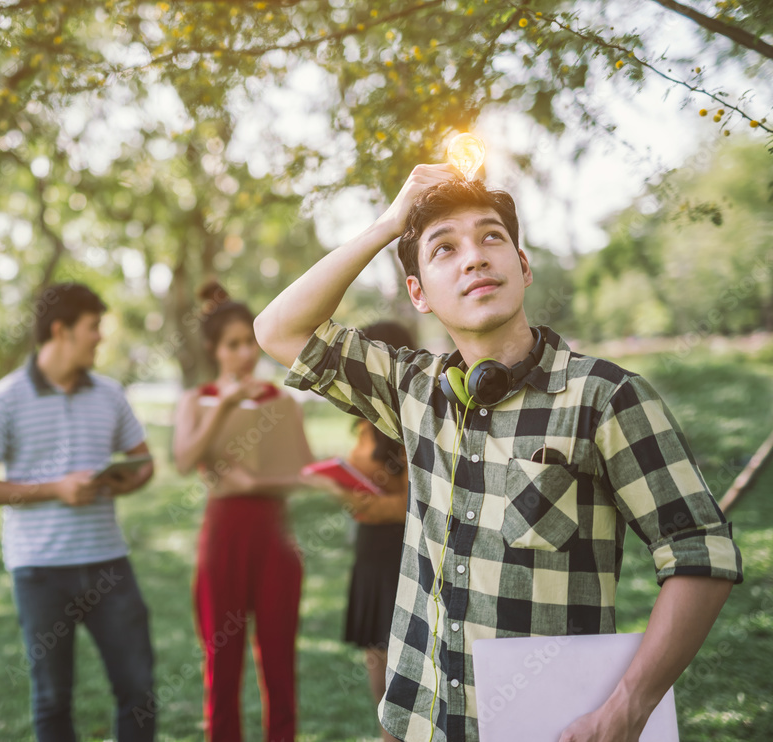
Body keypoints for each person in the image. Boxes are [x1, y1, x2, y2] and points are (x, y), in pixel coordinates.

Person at [254, 166, 744, 742]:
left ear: (523, 265)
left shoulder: (605, 398)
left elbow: (698, 552)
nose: (475, 257)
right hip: (413, 723)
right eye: (444, 248)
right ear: (419, 293)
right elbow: (278, 328)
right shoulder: (411, 390)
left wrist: (629, 707)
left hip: (546, 728)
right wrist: (389, 225)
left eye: (492, 237)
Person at [0, 282, 156, 742]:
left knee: (139, 689)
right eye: (93, 328)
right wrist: (56, 489)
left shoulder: (110, 394)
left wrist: (123, 481)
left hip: (109, 564)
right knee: (52, 701)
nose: (100, 338)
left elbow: (144, 464)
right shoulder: (1, 400)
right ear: (61, 330)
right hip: (40, 572)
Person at [172, 279, 314, 742]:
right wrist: (225, 406)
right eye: (233, 345)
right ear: (215, 350)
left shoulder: (283, 402)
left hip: (274, 536)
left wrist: (256, 482)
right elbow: (182, 460)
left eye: (249, 344)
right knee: (222, 661)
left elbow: (306, 473)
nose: (245, 355)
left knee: (279, 662)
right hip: (223, 539)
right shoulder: (195, 401)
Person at [303, 320, 412, 742]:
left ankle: (395, 734)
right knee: (376, 652)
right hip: (371, 548)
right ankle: (387, 729)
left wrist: (369, 503)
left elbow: (415, 501)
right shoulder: (366, 414)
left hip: (402, 548)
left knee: (402, 651)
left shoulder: (409, 417)